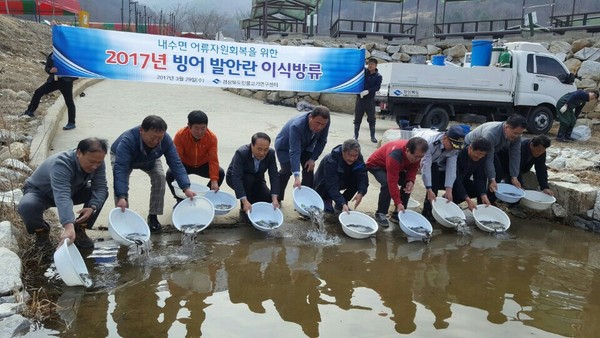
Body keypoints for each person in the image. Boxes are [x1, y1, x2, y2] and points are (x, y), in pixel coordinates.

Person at [18, 138, 109, 254]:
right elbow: (62, 194)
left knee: (100, 194)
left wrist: (93, 207)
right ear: (79, 153)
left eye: (99, 162)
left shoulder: (97, 161)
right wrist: (68, 225)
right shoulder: (61, 163)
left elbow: (100, 187)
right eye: (91, 162)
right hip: (41, 192)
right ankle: (41, 233)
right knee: (27, 205)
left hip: (74, 190)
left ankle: (80, 228)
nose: (95, 166)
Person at [111, 115, 195, 233]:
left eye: (159, 138)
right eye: (152, 137)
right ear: (142, 131)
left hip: (151, 157)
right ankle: (124, 219)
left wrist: (186, 187)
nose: (156, 141)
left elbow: (176, 163)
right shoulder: (127, 141)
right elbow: (120, 169)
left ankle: (153, 216)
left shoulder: (165, 139)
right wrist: (121, 196)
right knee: (120, 186)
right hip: (125, 159)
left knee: (160, 177)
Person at [366, 137, 429, 227]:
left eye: (421, 157)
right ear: (407, 151)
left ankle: (398, 213)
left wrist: (410, 180)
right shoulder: (395, 155)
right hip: (377, 165)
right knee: (387, 185)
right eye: (416, 157)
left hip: (397, 166)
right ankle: (381, 213)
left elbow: (413, 168)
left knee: (407, 185)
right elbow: (392, 181)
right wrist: (397, 202)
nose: (418, 159)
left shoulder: (416, 155)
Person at [166, 110, 225, 204]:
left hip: (203, 164)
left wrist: (214, 180)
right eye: (196, 128)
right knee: (170, 174)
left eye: (203, 128)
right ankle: (179, 199)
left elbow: (213, 160)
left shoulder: (211, 138)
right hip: (185, 164)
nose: (200, 132)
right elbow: (176, 160)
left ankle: (205, 200)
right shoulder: (180, 135)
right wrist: (185, 187)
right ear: (189, 126)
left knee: (220, 173)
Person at [275, 106, 330, 201]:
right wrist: (297, 176)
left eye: (323, 124)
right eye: (317, 123)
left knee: (309, 168)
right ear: (310, 117)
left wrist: (313, 159)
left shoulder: (325, 121)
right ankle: (276, 198)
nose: (320, 127)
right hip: (285, 146)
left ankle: (305, 199)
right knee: (287, 170)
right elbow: (294, 151)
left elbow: (322, 141)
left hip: (306, 145)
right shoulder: (297, 126)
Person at [464, 115, 528, 195]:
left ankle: (491, 198)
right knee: (483, 174)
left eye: (520, 134)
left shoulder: (516, 136)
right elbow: (488, 159)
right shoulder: (491, 133)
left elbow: (515, 155)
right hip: (473, 148)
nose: (517, 136)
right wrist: (492, 179)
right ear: (506, 127)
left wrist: (514, 176)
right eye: (515, 133)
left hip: (492, 149)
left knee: (498, 172)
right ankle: (482, 198)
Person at [415, 125, 466, 221]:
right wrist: (429, 189)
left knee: (435, 178)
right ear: (445, 138)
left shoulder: (454, 148)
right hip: (418, 152)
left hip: (434, 159)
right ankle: (425, 210)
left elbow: (452, 167)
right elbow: (426, 167)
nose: (453, 149)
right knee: (429, 184)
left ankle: (430, 210)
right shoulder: (430, 143)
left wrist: (449, 188)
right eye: (452, 145)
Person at [226, 132, 280, 218]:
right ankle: (244, 209)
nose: (262, 153)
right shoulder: (241, 153)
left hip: (257, 178)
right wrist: (244, 201)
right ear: (252, 145)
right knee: (248, 181)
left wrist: (275, 199)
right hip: (235, 178)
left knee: (267, 199)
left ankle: (252, 201)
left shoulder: (271, 154)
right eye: (259, 149)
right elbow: (236, 177)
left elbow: (274, 175)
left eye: (265, 149)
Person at [21, 51, 78, 130]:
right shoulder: (52, 55)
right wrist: (50, 70)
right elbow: (47, 67)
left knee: (69, 101)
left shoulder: (70, 54)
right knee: (38, 92)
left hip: (65, 82)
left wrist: (68, 77)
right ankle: (30, 111)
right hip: (53, 81)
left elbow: (77, 70)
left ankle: (71, 122)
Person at [314, 139, 369, 214]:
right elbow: (331, 185)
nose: (352, 159)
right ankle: (326, 198)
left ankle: (342, 201)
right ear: (343, 152)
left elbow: (363, 176)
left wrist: (361, 192)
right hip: (325, 183)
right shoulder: (331, 160)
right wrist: (342, 202)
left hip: (342, 179)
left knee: (358, 180)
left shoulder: (358, 158)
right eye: (349, 155)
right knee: (327, 184)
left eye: (355, 156)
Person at [453, 138, 492, 211]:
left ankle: (455, 201)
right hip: (451, 179)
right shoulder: (460, 154)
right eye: (478, 153)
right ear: (471, 148)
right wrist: (468, 199)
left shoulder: (482, 158)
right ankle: (452, 200)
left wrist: (483, 195)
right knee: (458, 189)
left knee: (477, 189)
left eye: (483, 154)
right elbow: (456, 178)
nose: (479, 157)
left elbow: (479, 177)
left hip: (464, 179)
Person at [354, 57, 383, 143]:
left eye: (372, 64)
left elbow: (377, 87)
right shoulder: (363, 73)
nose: (370, 65)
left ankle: (372, 136)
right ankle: (355, 135)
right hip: (360, 99)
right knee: (357, 118)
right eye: (369, 63)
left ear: (376, 65)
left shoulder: (378, 76)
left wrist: (368, 91)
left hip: (370, 100)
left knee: (371, 119)